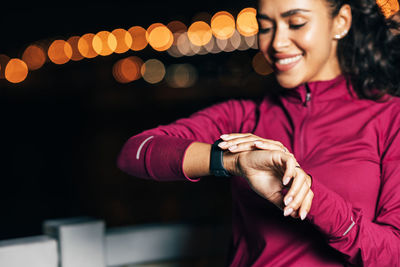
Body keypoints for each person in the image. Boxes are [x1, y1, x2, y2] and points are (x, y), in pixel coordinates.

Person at [117, 0, 400, 265]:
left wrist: (313, 200)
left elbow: (394, 254)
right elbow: (136, 152)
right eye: (265, 27)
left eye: (297, 22)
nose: (275, 43)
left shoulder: (390, 118)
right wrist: (231, 161)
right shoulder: (242, 117)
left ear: (341, 22)